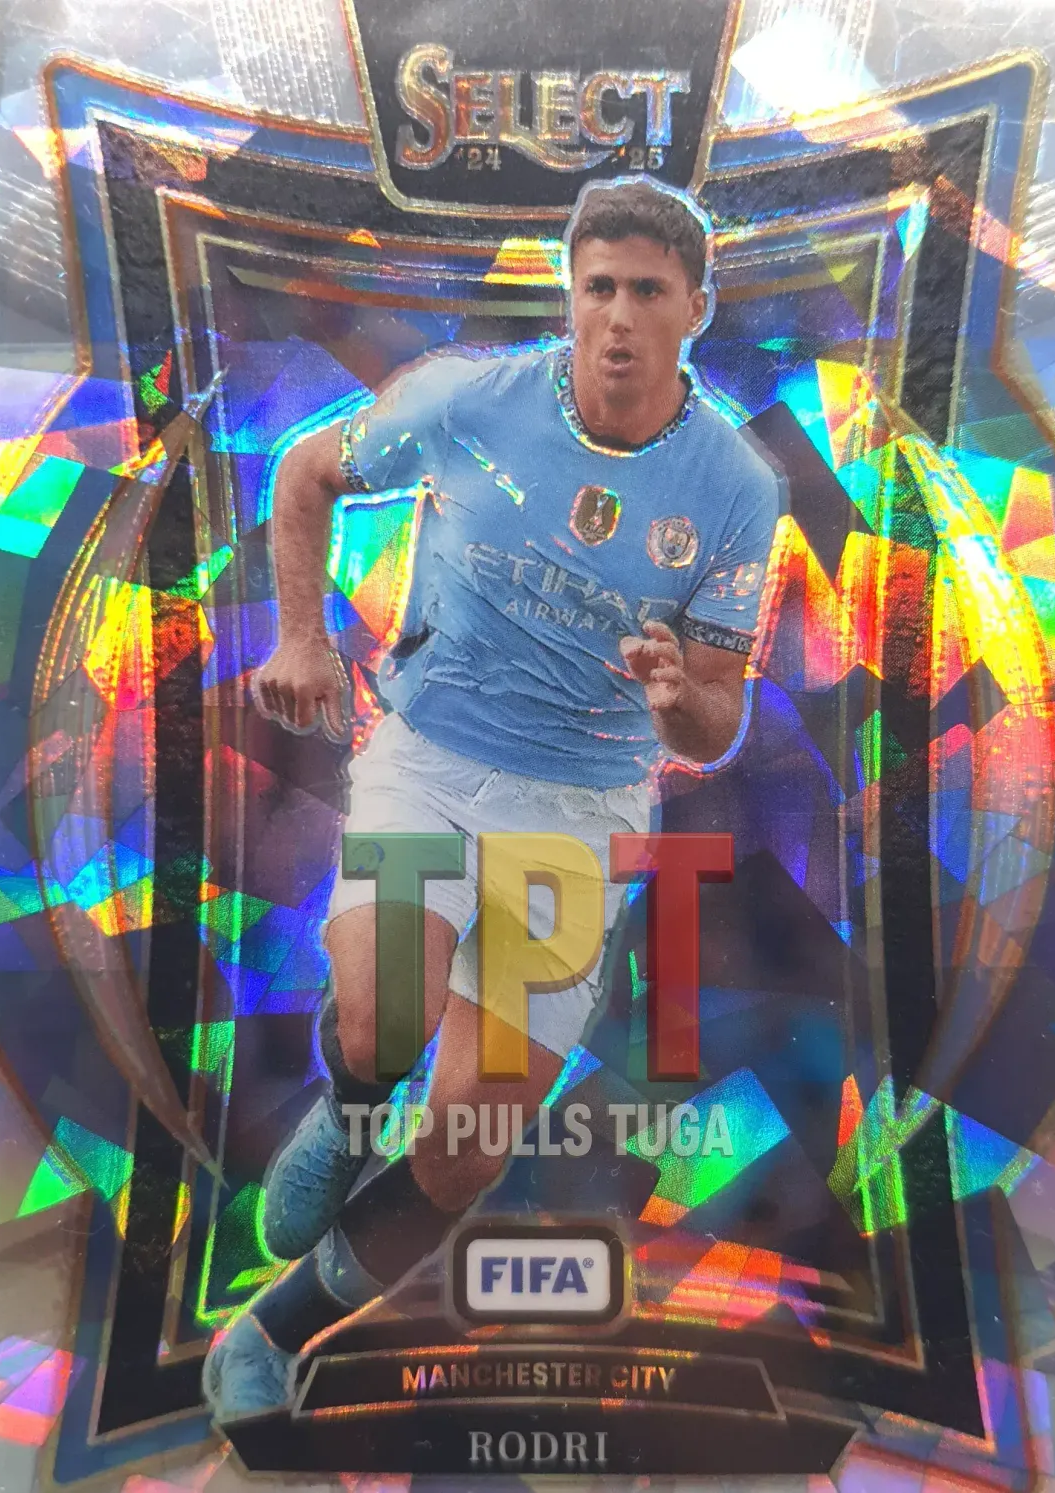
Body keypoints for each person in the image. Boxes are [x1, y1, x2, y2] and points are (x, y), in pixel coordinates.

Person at [202, 177, 782, 1421]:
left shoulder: (736, 486)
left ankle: (267, 1332)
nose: (616, 316)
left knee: (468, 1145)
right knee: (385, 1018)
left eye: (647, 292)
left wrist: (679, 695)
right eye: (597, 287)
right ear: (569, 295)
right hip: (429, 761)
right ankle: (352, 1106)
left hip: (578, 816)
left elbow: (719, 719)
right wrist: (300, 636)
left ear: (695, 308)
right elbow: (304, 473)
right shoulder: (466, 397)